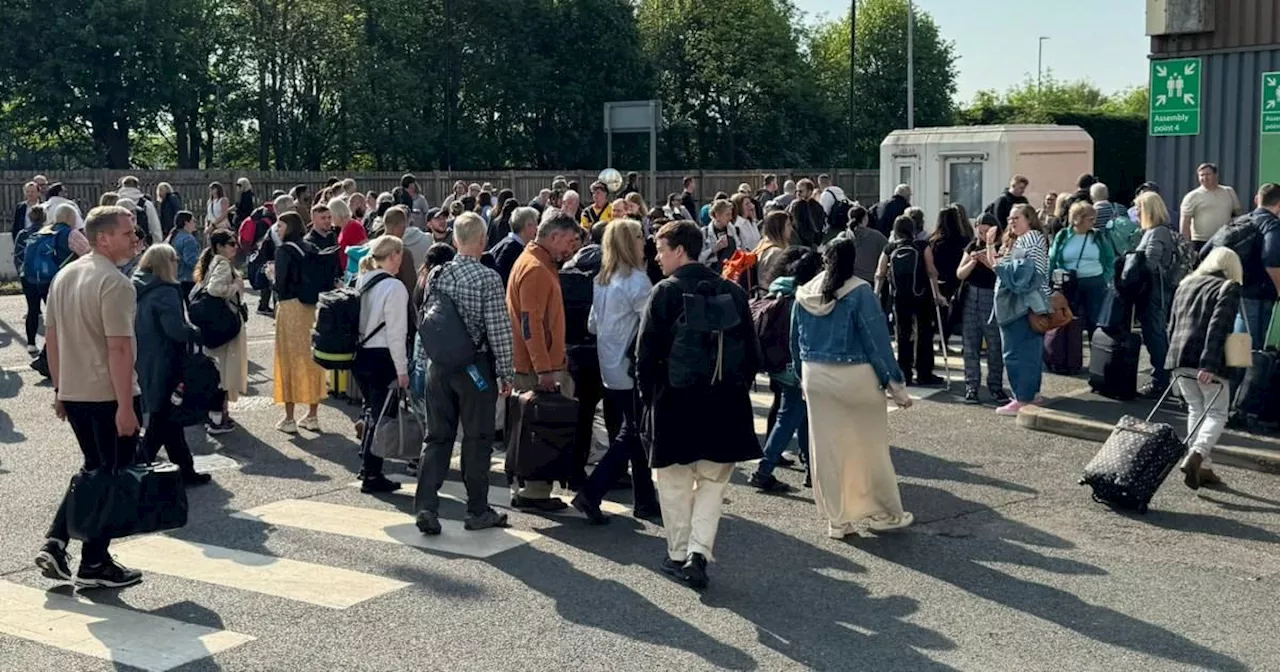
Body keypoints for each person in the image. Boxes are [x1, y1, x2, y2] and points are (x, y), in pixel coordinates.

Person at [637, 220, 761, 591]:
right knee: (713, 483)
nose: (657, 258)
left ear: (679, 250)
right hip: (724, 403)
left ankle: (677, 553)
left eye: (661, 250)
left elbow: (645, 354)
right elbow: (751, 354)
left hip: (675, 400)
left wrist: (649, 399)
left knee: (674, 481)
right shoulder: (732, 291)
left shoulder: (664, 293)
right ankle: (698, 552)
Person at [36, 205, 146, 589]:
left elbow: (52, 340)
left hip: (76, 390)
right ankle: (94, 561)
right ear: (103, 238)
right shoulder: (115, 283)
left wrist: (59, 387)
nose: (134, 238)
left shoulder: (65, 275)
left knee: (95, 469)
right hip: (108, 395)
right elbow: (119, 350)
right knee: (111, 477)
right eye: (127, 232)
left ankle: (58, 541)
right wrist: (127, 407)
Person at [793, 236, 914, 538]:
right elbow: (877, 344)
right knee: (869, 449)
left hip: (815, 376)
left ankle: (838, 520)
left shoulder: (803, 293)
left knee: (827, 453)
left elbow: (794, 344)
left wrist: (802, 378)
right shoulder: (860, 292)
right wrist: (895, 384)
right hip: (856, 377)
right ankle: (887, 512)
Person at [414, 213, 515, 535]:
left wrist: (421, 359)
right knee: (477, 440)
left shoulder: (438, 273)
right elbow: (498, 329)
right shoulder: (488, 278)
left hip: (438, 365)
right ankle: (477, 509)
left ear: (455, 240)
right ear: (483, 240)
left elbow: (428, 320)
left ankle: (427, 506)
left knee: (437, 437)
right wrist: (506, 373)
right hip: (474, 368)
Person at [570, 218, 659, 523]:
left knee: (632, 432)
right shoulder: (637, 281)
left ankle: (645, 499)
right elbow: (650, 329)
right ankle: (592, 493)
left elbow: (593, 325)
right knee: (633, 434)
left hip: (609, 364)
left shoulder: (602, 279)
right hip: (630, 366)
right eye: (639, 236)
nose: (644, 240)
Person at [505, 211, 581, 511]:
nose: (571, 248)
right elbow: (531, 324)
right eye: (569, 241)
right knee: (542, 430)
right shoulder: (536, 268)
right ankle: (535, 493)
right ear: (554, 236)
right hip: (538, 367)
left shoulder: (534, 261)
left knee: (534, 428)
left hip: (535, 363)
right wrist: (545, 369)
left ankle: (533, 489)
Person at [131, 243, 211, 486]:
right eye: (175, 259)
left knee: (166, 417)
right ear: (166, 263)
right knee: (163, 418)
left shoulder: (137, 285)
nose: (178, 262)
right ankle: (135, 467)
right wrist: (197, 332)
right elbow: (175, 330)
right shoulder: (165, 290)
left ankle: (185, 469)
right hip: (167, 359)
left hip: (145, 356)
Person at [1166, 248, 1242, 490]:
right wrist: (1209, 363)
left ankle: (1204, 467)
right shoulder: (1228, 287)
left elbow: (1172, 325)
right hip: (1208, 361)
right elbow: (1219, 326)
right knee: (1218, 413)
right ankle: (1197, 454)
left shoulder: (1186, 284)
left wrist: (1173, 359)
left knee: (1195, 408)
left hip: (1179, 357)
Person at [748, 247, 823, 494]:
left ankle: (811, 469)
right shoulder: (805, 298)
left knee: (801, 415)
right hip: (797, 367)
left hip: (778, 364)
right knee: (790, 416)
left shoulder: (778, 290)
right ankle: (764, 469)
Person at [349, 236, 411, 494]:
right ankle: (372, 473)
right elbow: (397, 333)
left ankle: (367, 466)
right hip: (382, 356)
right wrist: (402, 369)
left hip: (360, 354)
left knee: (372, 411)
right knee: (380, 415)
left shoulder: (361, 278)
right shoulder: (395, 288)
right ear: (394, 255)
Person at [993, 204, 1051, 416]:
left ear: (1029, 219)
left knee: (1016, 353)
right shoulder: (1030, 238)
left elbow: (1019, 275)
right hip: (1028, 303)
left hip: (1021, 304)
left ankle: (1022, 398)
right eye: (1009, 218)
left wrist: (993, 252)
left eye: (1016, 217)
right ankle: (1030, 394)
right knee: (1030, 352)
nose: (1011, 222)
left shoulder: (1030, 238)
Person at [271, 212, 326, 433]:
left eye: (280, 224)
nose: (278, 228)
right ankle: (312, 415)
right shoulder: (311, 248)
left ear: (289, 227)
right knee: (312, 360)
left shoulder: (284, 251)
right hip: (312, 308)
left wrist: (271, 278)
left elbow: (281, 285)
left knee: (288, 360)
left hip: (290, 309)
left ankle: (289, 418)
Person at [559, 227, 605, 491]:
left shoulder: (566, 269)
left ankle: (568, 468)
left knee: (572, 412)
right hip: (595, 349)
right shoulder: (603, 273)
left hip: (568, 348)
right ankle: (579, 471)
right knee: (589, 415)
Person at [877, 215, 944, 387]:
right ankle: (924, 372)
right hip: (921, 295)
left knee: (903, 334)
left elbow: (880, 273)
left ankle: (904, 372)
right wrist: (937, 294)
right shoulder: (922, 246)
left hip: (899, 297)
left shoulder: (889, 248)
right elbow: (931, 271)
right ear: (913, 229)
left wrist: (876, 294)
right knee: (924, 333)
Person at [195, 229, 247, 435]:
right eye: (231, 244)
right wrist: (235, 286)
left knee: (217, 370)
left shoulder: (213, 262)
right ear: (220, 246)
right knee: (224, 372)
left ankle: (217, 414)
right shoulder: (223, 264)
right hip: (225, 323)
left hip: (214, 323)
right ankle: (217, 417)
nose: (236, 247)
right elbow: (215, 289)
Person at [956, 213, 1010, 405]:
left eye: (987, 229)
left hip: (992, 297)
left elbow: (1000, 271)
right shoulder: (972, 245)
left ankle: (995, 386)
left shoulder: (1001, 247)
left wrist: (986, 258)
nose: (983, 232)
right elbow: (960, 273)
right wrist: (972, 260)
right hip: (972, 295)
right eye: (979, 228)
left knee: (995, 345)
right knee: (970, 345)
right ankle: (971, 386)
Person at [1133, 190, 1180, 397]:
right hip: (1153, 291)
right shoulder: (1153, 231)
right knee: (1155, 334)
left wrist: (1132, 263)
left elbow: (1151, 263)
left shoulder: (1157, 232)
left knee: (1156, 335)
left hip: (1155, 292)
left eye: (1139, 207)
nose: (1136, 211)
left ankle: (1162, 379)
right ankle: (1162, 377)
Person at [1049, 201, 1114, 337]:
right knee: (1069, 321)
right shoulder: (1063, 236)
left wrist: (1105, 277)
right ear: (1077, 219)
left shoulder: (1098, 236)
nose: (1094, 222)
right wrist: (1050, 280)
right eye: (1090, 219)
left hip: (1095, 282)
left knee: (1095, 322)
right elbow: (1053, 258)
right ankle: (1070, 355)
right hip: (1069, 284)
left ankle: (1096, 354)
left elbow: (1110, 258)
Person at [16, 205, 72, 355]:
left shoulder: (23, 234)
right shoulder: (49, 233)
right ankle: (55, 343)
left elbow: (18, 255)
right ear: (46, 217)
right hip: (47, 278)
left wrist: (23, 272)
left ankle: (31, 343)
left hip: (28, 277)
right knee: (53, 312)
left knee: (32, 310)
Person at [925, 205, 971, 344]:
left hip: (939, 280)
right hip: (956, 280)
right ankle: (944, 340)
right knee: (954, 314)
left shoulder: (934, 241)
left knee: (937, 313)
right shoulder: (963, 240)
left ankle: (933, 341)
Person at [1180, 163, 1243, 252]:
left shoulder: (1228, 192)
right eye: (1201, 175)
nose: (1204, 178)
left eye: (1208, 174)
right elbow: (1185, 223)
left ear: (1215, 175)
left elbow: (1239, 215)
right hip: (1201, 242)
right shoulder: (1192, 196)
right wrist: (1186, 245)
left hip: (1225, 239)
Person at [489, 206, 539, 287]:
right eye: (535, 224)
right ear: (527, 226)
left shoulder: (508, 243)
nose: (537, 229)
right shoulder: (513, 249)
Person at [698, 199, 741, 273]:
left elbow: (739, 247)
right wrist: (714, 249)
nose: (730, 218)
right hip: (711, 274)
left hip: (730, 272)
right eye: (727, 214)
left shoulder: (732, 229)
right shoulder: (704, 232)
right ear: (717, 215)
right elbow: (699, 259)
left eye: (730, 214)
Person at [168, 211, 200, 304]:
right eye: (193, 221)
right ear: (186, 223)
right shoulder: (188, 239)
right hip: (188, 278)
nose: (195, 224)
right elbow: (191, 260)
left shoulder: (174, 236)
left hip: (176, 276)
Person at [754, 211, 792, 289]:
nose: (791, 229)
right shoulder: (777, 253)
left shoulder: (762, 244)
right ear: (779, 228)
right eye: (788, 225)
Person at [331, 197, 367, 272]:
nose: (330, 219)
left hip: (356, 271)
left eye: (331, 216)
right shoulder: (343, 227)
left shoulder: (354, 227)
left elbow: (364, 250)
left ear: (337, 213)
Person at [787, 179, 826, 248]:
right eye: (797, 191)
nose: (798, 194)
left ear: (809, 192)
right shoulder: (794, 205)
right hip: (796, 242)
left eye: (801, 191)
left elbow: (819, 225)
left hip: (811, 243)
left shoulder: (817, 207)